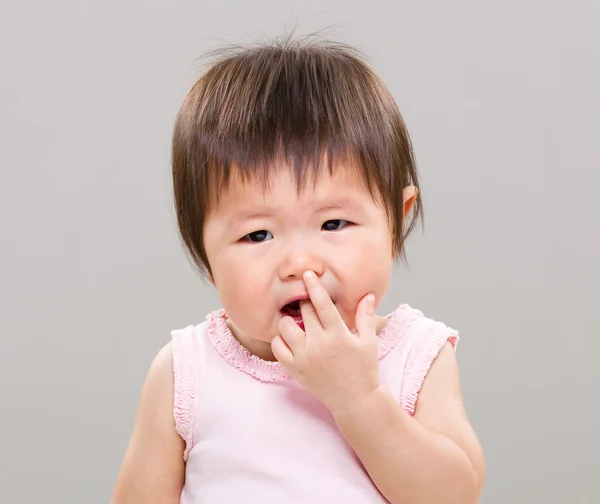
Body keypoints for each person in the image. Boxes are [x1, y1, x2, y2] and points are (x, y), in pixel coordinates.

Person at [111, 34, 485, 504]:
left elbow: (454, 495)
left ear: (397, 222)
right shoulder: (187, 371)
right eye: (257, 235)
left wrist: (359, 401)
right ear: (204, 256)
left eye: (334, 223)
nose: (299, 264)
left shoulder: (415, 356)